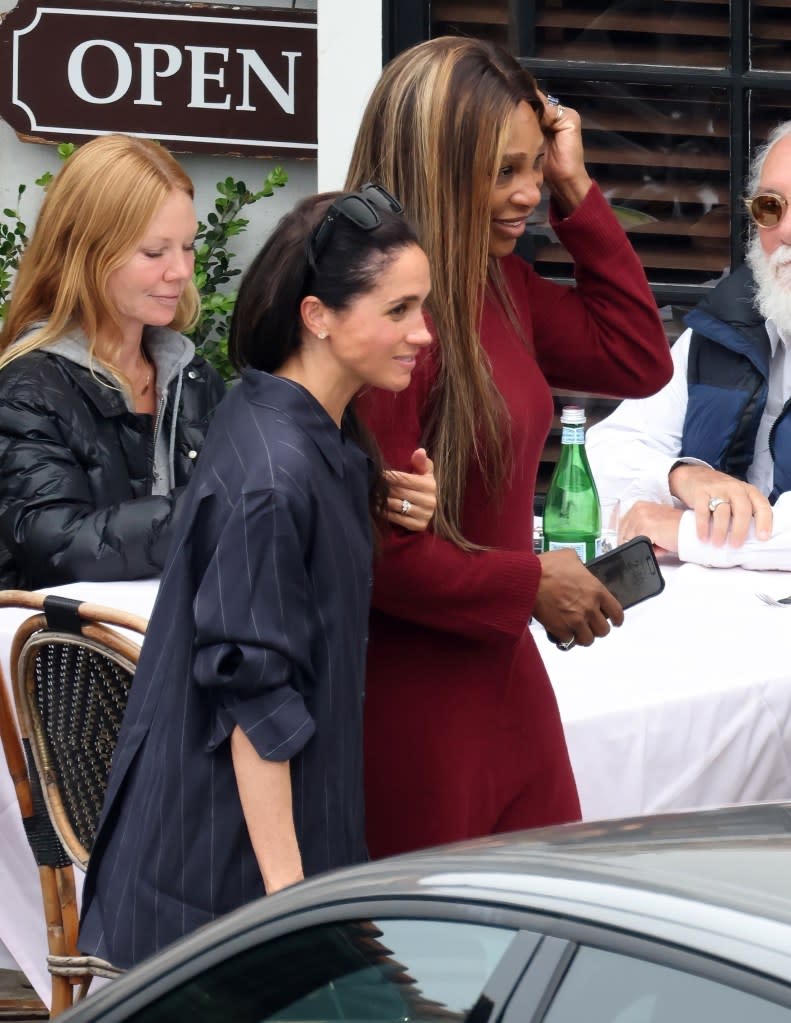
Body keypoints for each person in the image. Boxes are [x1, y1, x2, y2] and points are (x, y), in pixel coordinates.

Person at [78, 186, 435, 969]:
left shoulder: (295, 422)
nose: (423, 332)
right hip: (220, 888)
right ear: (318, 316)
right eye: (401, 308)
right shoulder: (273, 473)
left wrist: (378, 499)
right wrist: (292, 908)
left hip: (257, 870)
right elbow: (256, 702)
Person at [344, 36, 673, 858]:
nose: (527, 192)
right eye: (504, 172)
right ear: (435, 167)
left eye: (534, 166)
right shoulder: (376, 324)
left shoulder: (502, 286)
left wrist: (577, 190)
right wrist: (529, 579)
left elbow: (638, 358)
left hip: (502, 678)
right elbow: (374, 553)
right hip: (409, 703)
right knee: (430, 971)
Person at [0, 134, 227, 589]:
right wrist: (213, 508)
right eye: (154, 252)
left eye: (187, 245)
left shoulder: (193, 376)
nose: (181, 271)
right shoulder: (26, 389)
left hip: (182, 650)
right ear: (84, 255)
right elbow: (59, 546)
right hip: (70, 654)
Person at [587, 120, 791, 570]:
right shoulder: (725, 328)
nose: (787, 232)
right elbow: (601, 457)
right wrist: (681, 476)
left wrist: (679, 530)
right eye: (772, 206)